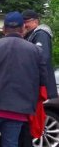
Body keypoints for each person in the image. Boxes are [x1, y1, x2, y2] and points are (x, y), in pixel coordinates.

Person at [0, 11, 48, 147]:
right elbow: (43, 80)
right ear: (23, 28)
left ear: (4, 29)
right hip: (18, 110)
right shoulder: (36, 51)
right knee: (10, 144)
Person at [18, 10, 58, 146]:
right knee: (28, 125)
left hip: (36, 88)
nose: (24, 25)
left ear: (36, 21)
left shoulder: (40, 34)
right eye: (23, 22)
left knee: (31, 125)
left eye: (26, 22)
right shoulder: (31, 35)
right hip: (33, 88)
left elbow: (41, 57)